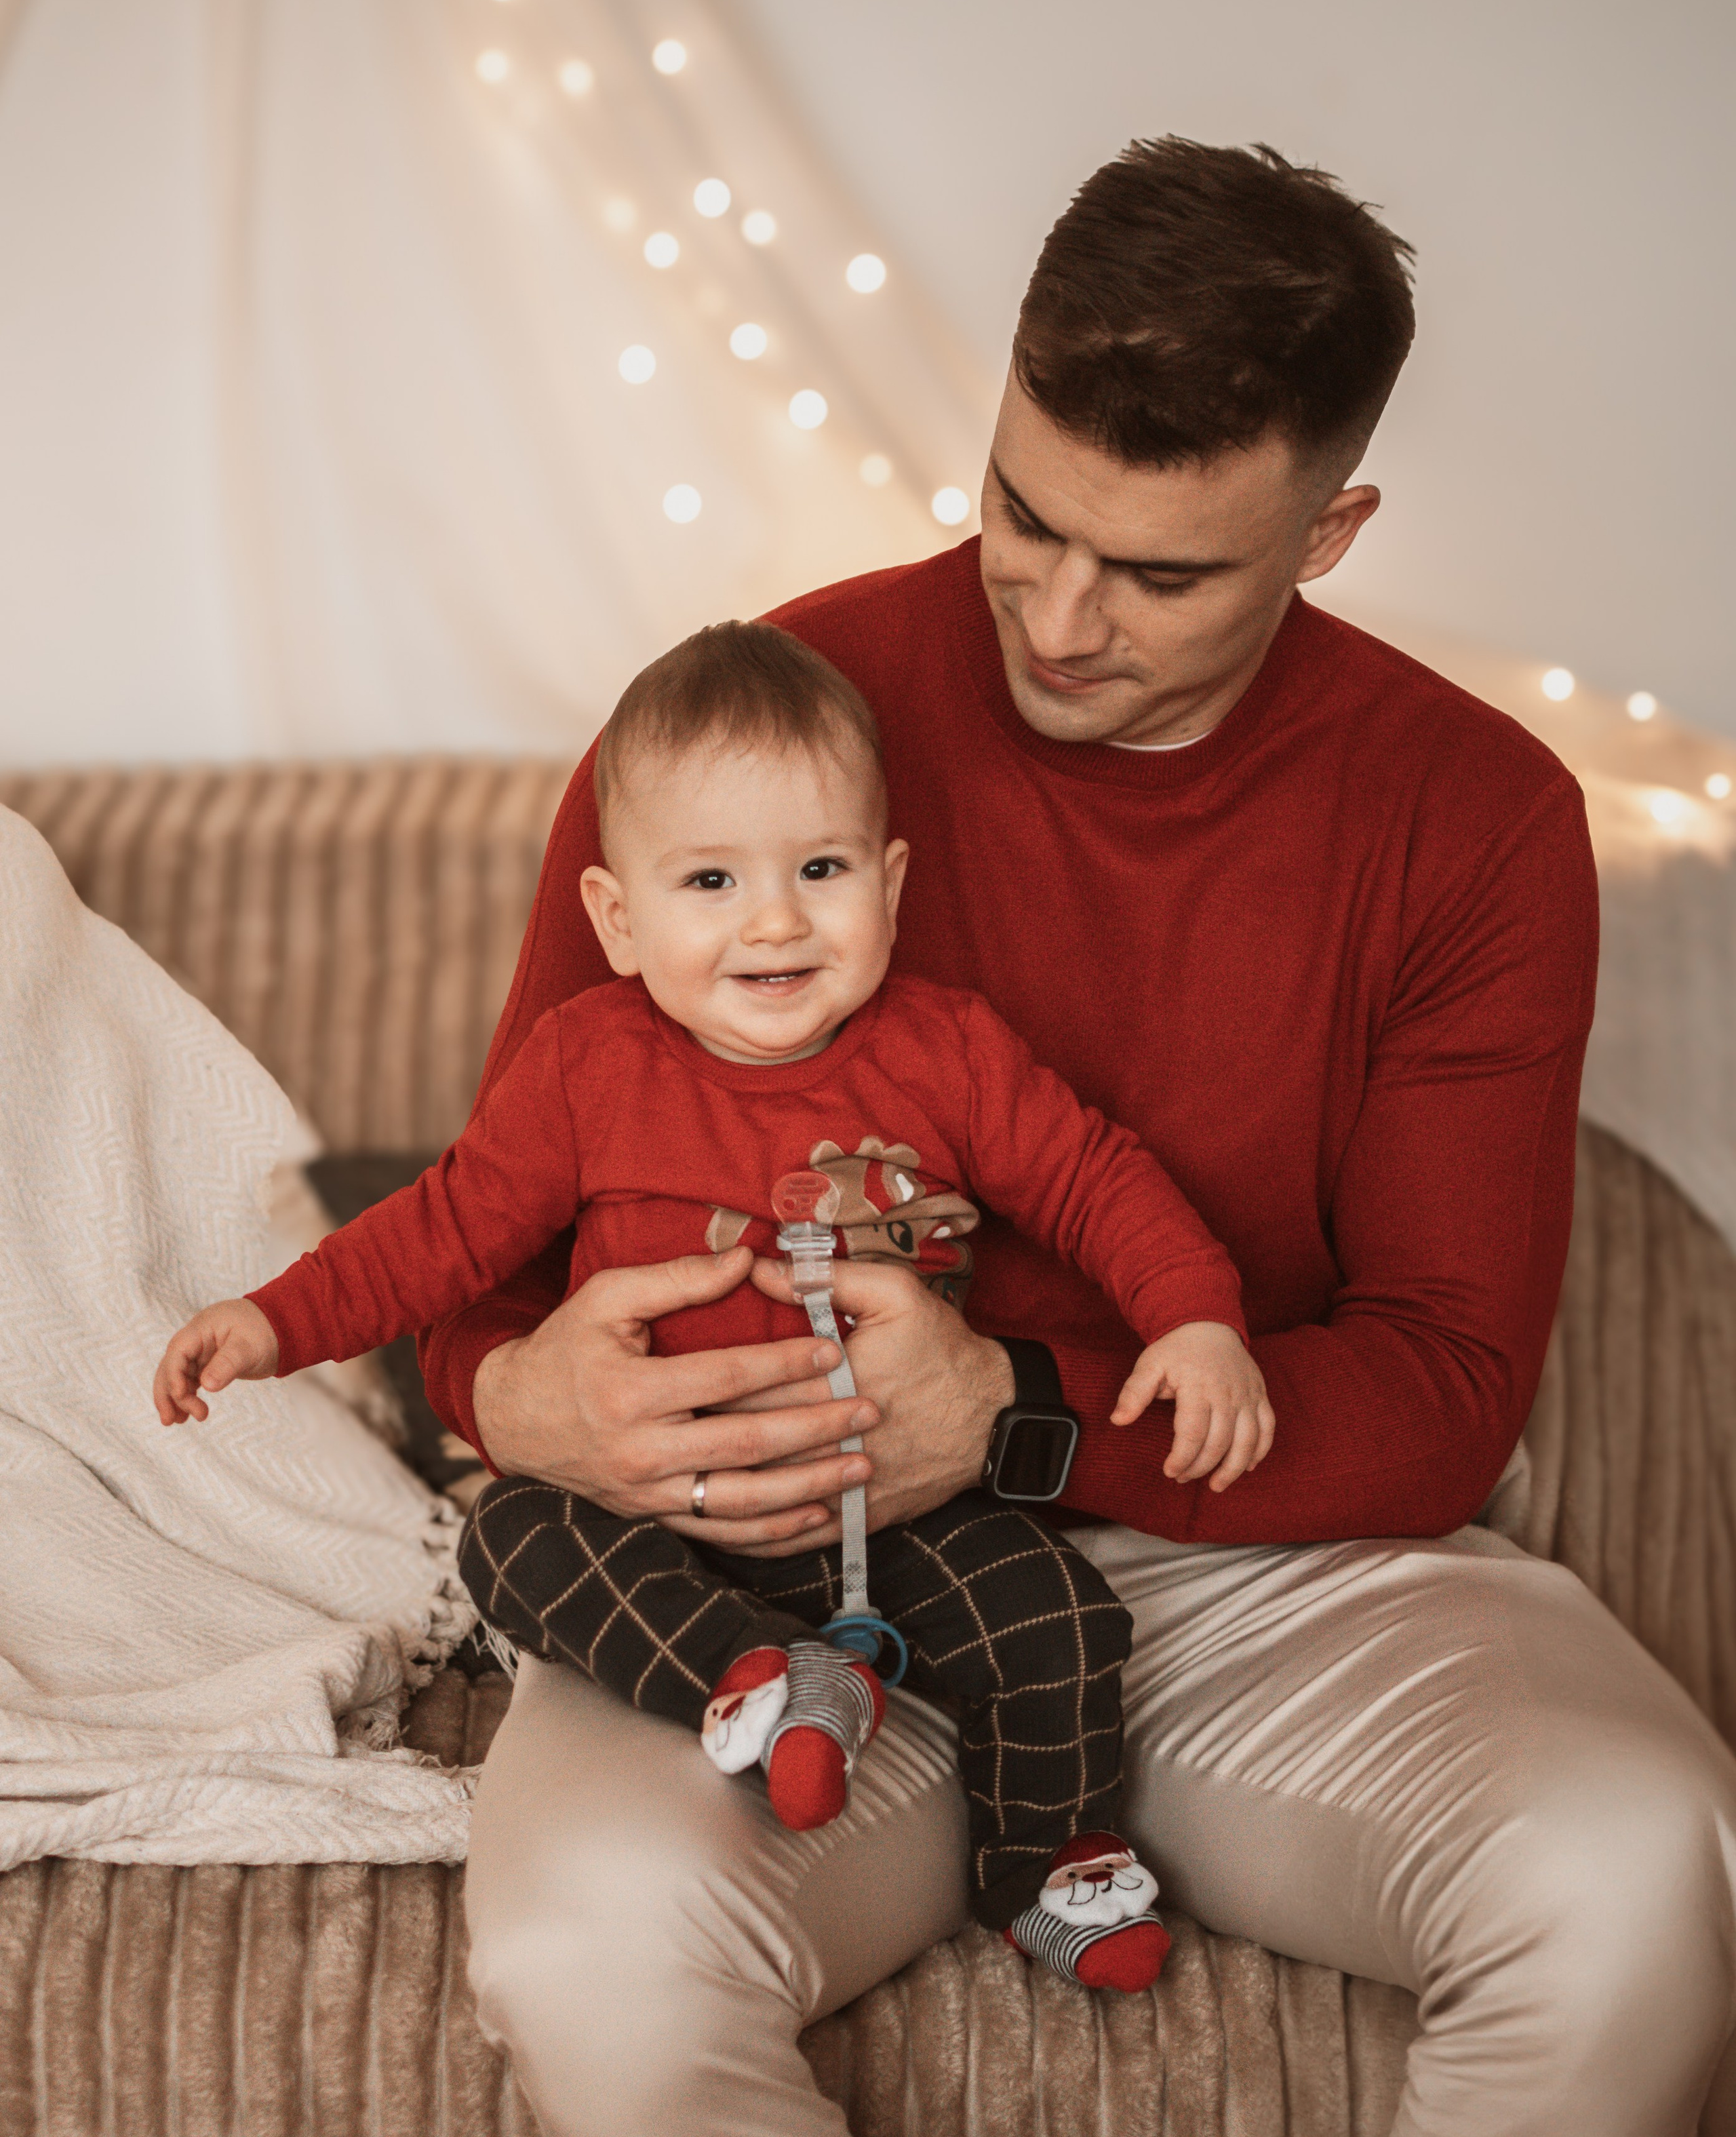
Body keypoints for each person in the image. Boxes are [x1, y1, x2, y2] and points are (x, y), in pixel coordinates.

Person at [427, 139, 1732, 2137]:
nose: (1053, 618)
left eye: (1157, 571)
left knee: (1642, 1865)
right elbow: (485, 1261)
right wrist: (510, 1388)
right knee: (585, 1939)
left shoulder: (1477, 818)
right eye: (1022, 515)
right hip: (774, 1582)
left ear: (1329, 536)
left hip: (1250, 1577)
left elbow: (1432, 1385)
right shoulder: (742, 730)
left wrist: (1011, 1424)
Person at [152, 621, 1276, 1993]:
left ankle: (1040, 1858)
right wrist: (274, 1321)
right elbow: (440, 1231)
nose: (774, 919)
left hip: (895, 1508)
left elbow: (1098, 1178)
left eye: (819, 867)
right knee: (510, 1533)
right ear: (618, 920)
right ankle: (757, 1676)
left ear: (889, 879)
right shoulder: (584, 1070)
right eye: (709, 879)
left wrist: (1195, 1315)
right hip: (655, 1533)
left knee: (1060, 1618)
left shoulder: (950, 1051)